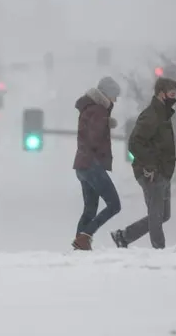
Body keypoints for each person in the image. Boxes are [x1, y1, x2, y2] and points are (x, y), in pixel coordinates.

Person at [111, 77, 176, 250]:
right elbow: (134, 143)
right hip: (152, 173)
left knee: (163, 215)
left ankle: (124, 236)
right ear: (161, 94)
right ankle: (160, 252)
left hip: (162, 172)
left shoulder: (162, 115)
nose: (174, 98)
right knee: (156, 216)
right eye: (172, 94)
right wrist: (150, 167)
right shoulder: (152, 116)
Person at [72, 76, 122, 250]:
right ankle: (86, 237)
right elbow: (93, 139)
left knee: (90, 209)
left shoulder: (89, 108)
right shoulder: (99, 111)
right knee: (114, 205)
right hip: (92, 165)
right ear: (107, 94)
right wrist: (104, 124)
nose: (115, 100)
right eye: (114, 96)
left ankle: (80, 244)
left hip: (82, 165)